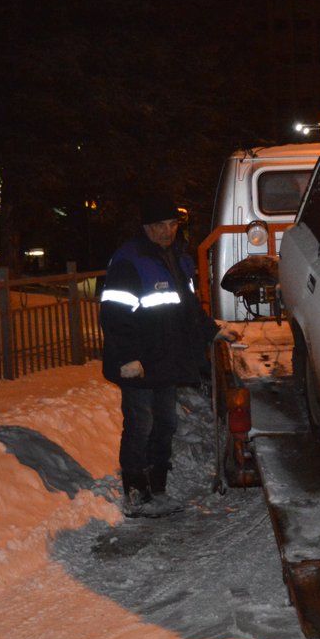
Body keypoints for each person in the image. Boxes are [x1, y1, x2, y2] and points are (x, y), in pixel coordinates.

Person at [99, 194, 223, 517]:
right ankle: (136, 494)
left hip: (166, 360)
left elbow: (189, 309)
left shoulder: (179, 260)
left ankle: (158, 489)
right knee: (141, 424)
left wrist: (212, 331)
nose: (168, 231)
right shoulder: (129, 261)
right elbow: (114, 316)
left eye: (172, 225)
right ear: (146, 227)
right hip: (139, 363)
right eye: (160, 226)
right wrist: (128, 359)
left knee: (165, 423)